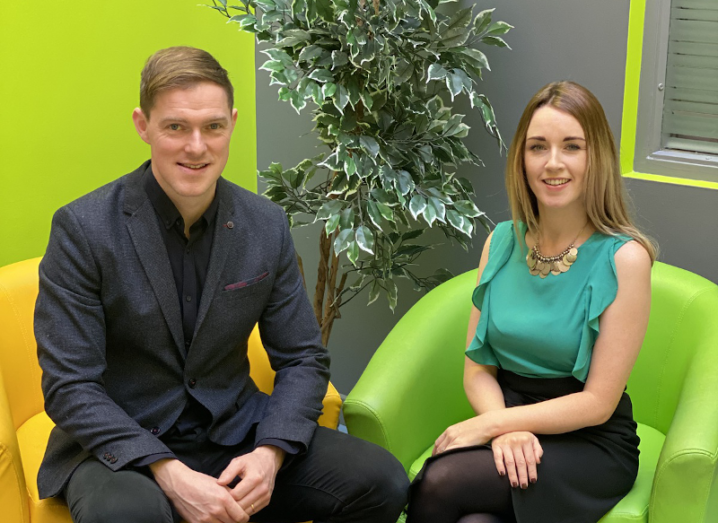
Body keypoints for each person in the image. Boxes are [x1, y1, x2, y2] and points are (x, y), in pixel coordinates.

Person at [35, 46, 408, 523]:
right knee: (131, 515)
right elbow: (70, 385)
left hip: (236, 431)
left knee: (382, 481)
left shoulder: (264, 224)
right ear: (142, 125)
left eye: (212, 126)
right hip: (121, 447)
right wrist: (169, 472)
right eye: (176, 127)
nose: (197, 146)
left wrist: (270, 453)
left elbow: (302, 358)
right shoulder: (83, 229)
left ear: (231, 123)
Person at [406, 81, 656, 523]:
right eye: (537, 146)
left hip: (590, 440)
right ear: (521, 158)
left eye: (572, 147)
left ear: (595, 157)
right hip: (509, 414)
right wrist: (506, 424)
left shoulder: (626, 258)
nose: (553, 163)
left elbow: (598, 401)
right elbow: (478, 370)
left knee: (438, 482)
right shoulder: (501, 242)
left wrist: (491, 427)